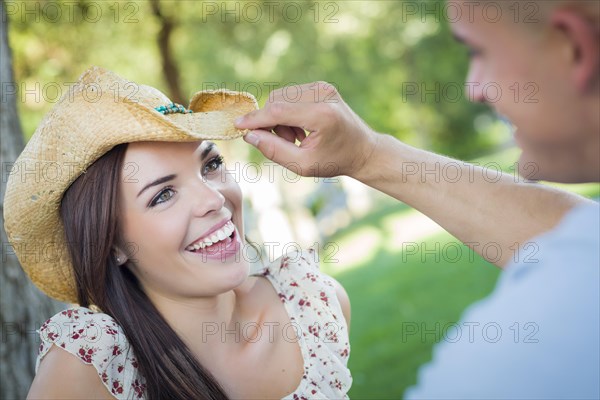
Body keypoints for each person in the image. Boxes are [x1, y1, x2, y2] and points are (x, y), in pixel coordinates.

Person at [234, 0, 600, 398]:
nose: (473, 88)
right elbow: (577, 237)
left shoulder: (521, 360)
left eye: (479, 52)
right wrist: (367, 155)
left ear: (574, 47)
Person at [3, 66, 352, 399]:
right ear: (112, 246)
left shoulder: (313, 304)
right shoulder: (96, 364)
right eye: (163, 195)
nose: (214, 199)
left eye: (211, 165)